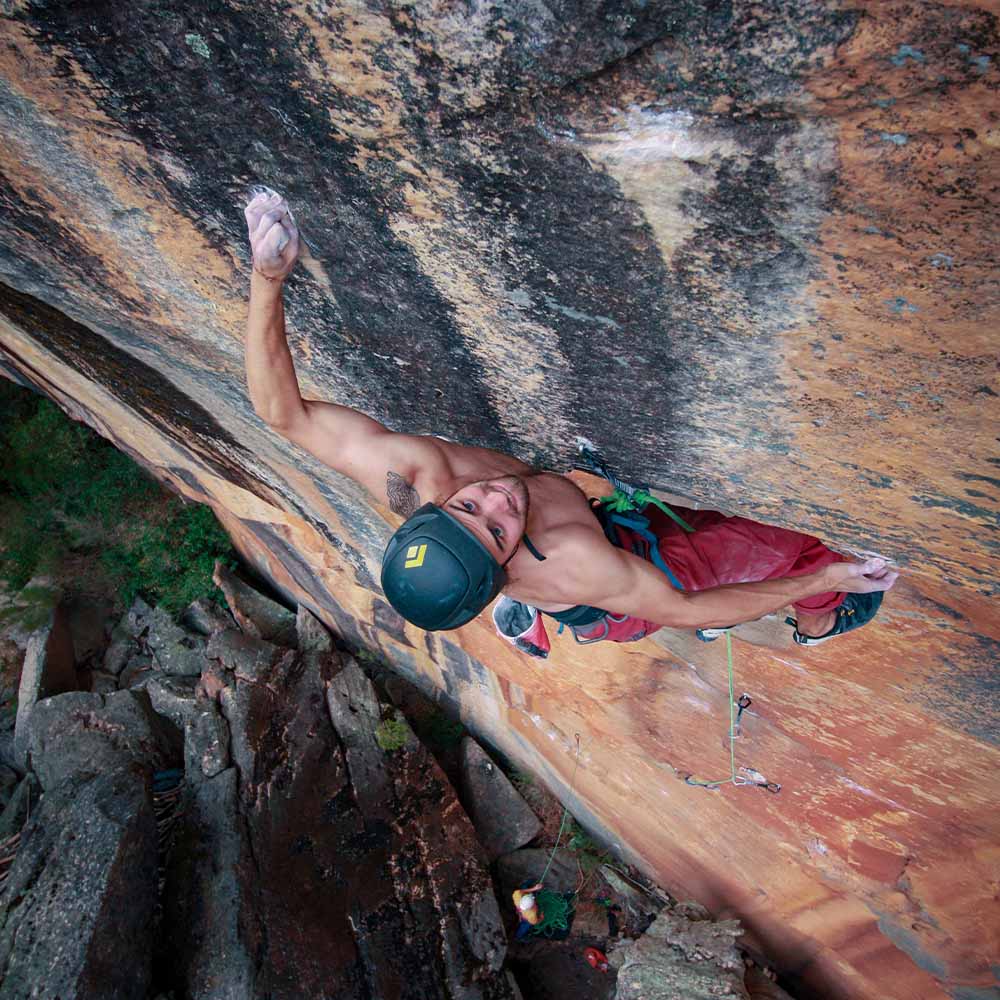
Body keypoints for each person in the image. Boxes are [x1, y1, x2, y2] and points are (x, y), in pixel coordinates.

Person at [243, 190, 898, 654]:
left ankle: (522, 613)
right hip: (630, 574)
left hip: (586, 525)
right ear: (508, 561)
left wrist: (268, 278)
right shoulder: (576, 562)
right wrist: (825, 582)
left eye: (468, 506)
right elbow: (684, 609)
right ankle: (817, 627)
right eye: (498, 527)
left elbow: (283, 414)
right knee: (803, 552)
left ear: (426, 511)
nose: (495, 497)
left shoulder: (410, 473)